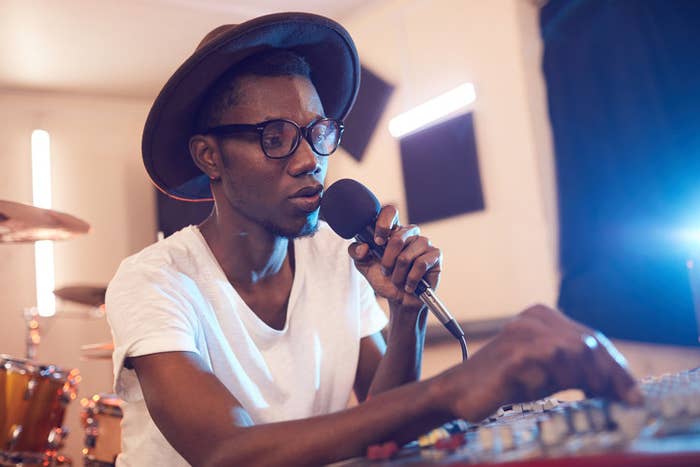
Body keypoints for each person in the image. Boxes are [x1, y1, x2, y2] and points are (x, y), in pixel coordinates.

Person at [106, 12, 642, 467]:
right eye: (275, 138)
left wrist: (406, 313)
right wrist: (453, 387)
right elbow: (229, 452)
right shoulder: (153, 279)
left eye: (318, 133)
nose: (308, 161)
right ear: (209, 157)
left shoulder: (335, 257)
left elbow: (382, 420)